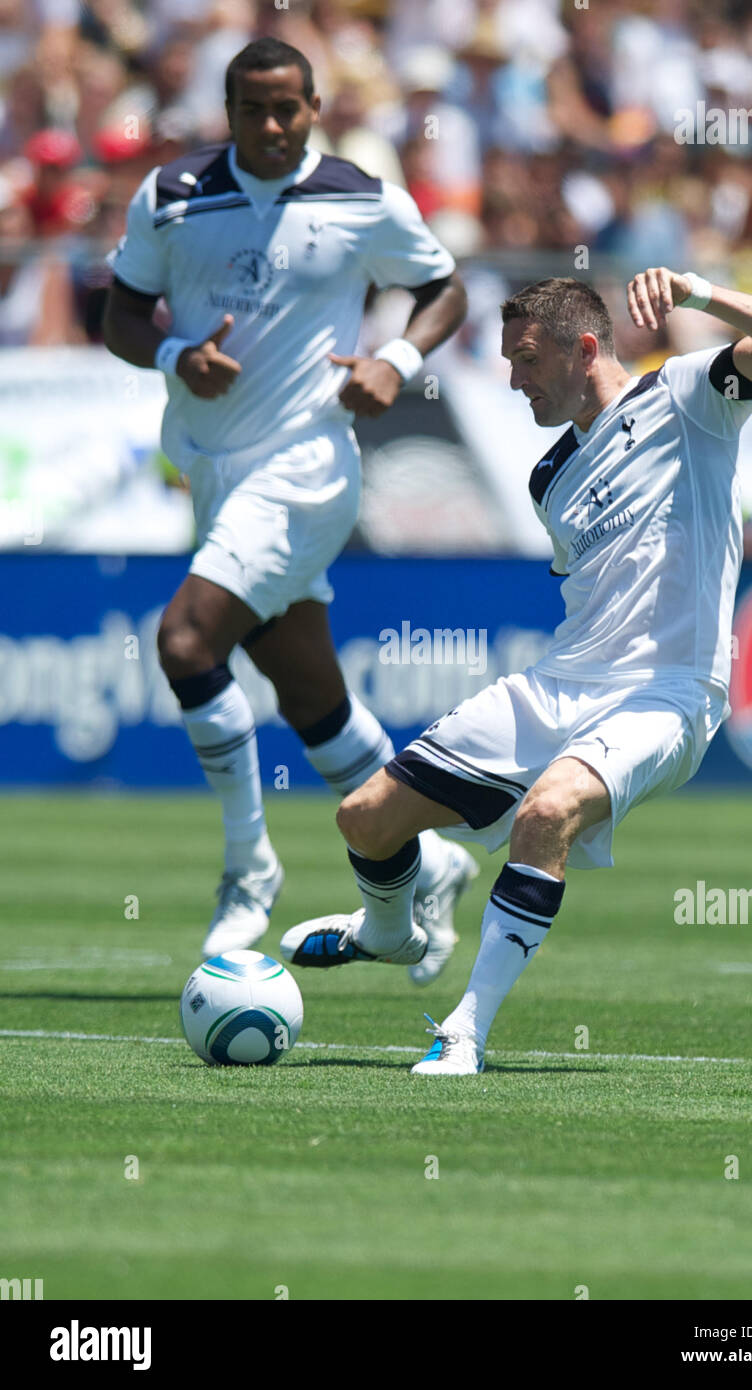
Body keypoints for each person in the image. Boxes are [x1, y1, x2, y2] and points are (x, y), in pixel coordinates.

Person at [281, 267, 752, 1074]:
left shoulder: (686, 395)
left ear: (587, 349)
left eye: (527, 360)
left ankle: (464, 1031)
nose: (515, 380)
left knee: (548, 812)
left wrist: (699, 295)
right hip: (562, 682)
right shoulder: (549, 478)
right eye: (508, 362)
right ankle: (390, 931)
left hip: (669, 692)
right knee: (364, 818)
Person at [103, 37, 475, 975]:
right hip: (212, 472)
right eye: (253, 109)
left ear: (314, 108)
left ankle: (249, 867)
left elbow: (444, 288)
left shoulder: (361, 198)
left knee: (186, 641)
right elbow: (120, 315)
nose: (271, 125)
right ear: (227, 112)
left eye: (288, 108)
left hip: (308, 468)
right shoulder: (172, 196)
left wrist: (395, 362)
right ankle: (430, 862)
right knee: (310, 695)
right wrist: (174, 354)